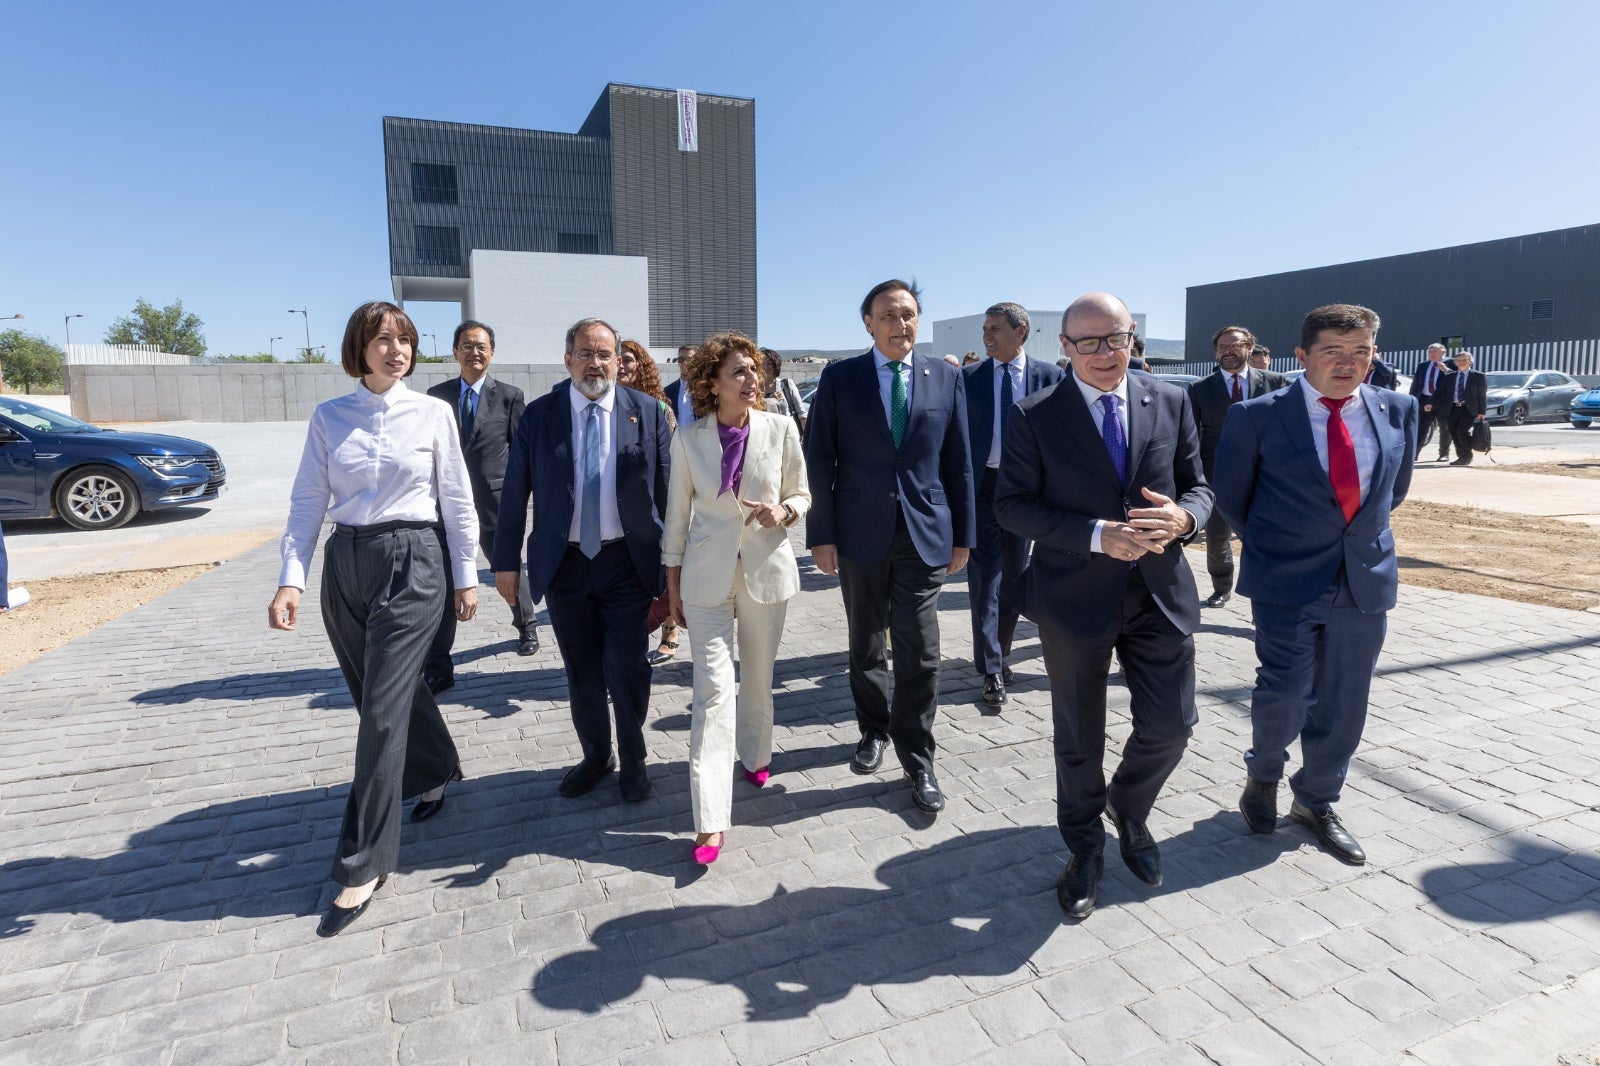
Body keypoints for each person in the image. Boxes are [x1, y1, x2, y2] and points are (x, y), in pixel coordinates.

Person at [994, 292, 1211, 920]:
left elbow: (1199, 486)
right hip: (1074, 600)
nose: (1103, 353)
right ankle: (1084, 846)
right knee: (1079, 739)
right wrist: (1095, 534)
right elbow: (1012, 506)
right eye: (1087, 342)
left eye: (1114, 338)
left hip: (1159, 594)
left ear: (1132, 337)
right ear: (1063, 348)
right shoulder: (1034, 414)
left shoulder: (1169, 399)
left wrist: (1185, 520)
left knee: (1173, 725)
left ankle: (1129, 808)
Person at [268, 301, 479, 938]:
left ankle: (363, 863)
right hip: (347, 565)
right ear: (359, 348)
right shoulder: (330, 417)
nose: (397, 350)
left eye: (406, 340)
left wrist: (467, 574)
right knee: (382, 696)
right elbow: (308, 498)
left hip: (415, 560)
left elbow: (457, 496)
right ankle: (438, 766)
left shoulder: (434, 413)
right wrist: (291, 578)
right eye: (383, 339)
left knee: (381, 715)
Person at [1214, 303, 1416, 866]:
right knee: (1284, 691)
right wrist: (1283, 541)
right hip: (1287, 578)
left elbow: (1391, 492)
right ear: (1303, 356)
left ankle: (1317, 800)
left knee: (1346, 701)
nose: (1348, 364)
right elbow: (1232, 497)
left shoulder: (1396, 409)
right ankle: (1264, 776)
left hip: (1363, 580)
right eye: (1333, 351)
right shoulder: (1257, 415)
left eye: (1362, 352)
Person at [804, 279, 975, 814]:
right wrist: (822, 535)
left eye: (909, 314)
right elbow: (819, 461)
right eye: (889, 315)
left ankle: (918, 754)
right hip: (858, 533)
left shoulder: (945, 377)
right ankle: (873, 730)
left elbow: (959, 461)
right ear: (868, 323)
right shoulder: (841, 378)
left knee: (921, 649)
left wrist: (964, 535)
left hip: (925, 532)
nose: (900, 324)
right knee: (866, 642)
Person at [493, 318, 671, 802]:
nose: (596, 363)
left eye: (605, 354)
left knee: (629, 665)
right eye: (585, 353)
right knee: (582, 669)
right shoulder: (540, 415)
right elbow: (514, 496)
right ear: (567, 358)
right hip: (565, 566)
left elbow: (670, 496)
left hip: (627, 563)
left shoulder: (648, 412)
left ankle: (634, 758)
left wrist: (675, 568)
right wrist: (505, 563)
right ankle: (597, 755)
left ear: (618, 360)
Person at [663, 333, 811, 864]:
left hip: (766, 571)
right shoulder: (687, 439)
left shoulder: (781, 427)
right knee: (713, 692)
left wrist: (784, 513)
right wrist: (673, 586)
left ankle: (755, 751)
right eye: (740, 372)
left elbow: (802, 492)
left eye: (755, 371)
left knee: (759, 677)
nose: (753, 379)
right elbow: (676, 520)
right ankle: (709, 819)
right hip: (705, 578)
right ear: (712, 383)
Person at [424, 320, 535, 695]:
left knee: (506, 568)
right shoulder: (434, 396)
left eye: (482, 346)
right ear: (455, 351)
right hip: (444, 504)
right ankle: (439, 661)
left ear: (492, 352)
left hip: (494, 501)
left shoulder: (509, 395)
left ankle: (526, 627)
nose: (475, 352)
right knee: (442, 582)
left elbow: (521, 452)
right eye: (467, 346)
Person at [962, 302, 1064, 706]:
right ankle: (990, 667)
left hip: (1027, 492)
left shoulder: (1051, 377)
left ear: (1021, 332)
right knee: (984, 578)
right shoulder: (967, 378)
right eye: (984, 329)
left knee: (1015, 578)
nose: (986, 336)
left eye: (995, 329)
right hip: (983, 487)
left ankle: (1001, 653)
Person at [1186, 326, 1288, 608]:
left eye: (1235, 345)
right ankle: (1221, 587)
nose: (1228, 351)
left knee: (1264, 538)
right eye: (1222, 347)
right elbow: (1191, 436)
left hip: (1266, 478)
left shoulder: (1276, 382)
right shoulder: (1199, 389)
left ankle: (1264, 594)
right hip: (1217, 475)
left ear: (1250, 347)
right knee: (1217, 537)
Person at [617, 338, 684, 667]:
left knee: (659, 574)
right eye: (618, 359)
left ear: (642, 365)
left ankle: (669, 631)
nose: (622, 365)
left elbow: (672, 461)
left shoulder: (660, 407)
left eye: (629, 359)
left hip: (654, 506)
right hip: (615, 511)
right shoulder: (603, 404)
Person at [1409, 343, 1454, 460]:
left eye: (1435, 351)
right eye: (1430, 352)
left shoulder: (1452, 363)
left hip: (1443, 401)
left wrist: (1447, 370)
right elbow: (1416, 384)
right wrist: (1412, 399)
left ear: (1443, 352)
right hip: (1425, 399)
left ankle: (1444, 454)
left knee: (1445, 428)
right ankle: (1414, 454)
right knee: (1421, 428)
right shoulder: (1423, 365)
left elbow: (1456, 379)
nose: (1432, 354)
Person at [1446, 350, 1487, 466]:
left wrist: (1482, 411)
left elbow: (1482, 395)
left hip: (1468, 409)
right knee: (1454, 432)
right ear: (1455, 362)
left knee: (1461, 431)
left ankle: (1467, 456)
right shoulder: (1449, 376)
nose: (1461, 362)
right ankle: (1461, 456)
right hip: (1452, 408)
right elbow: (1441, 392)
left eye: (1464, 360)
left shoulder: (1478, 376)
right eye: (1459, 360)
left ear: (1470, 362)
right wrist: (1431, 403)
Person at [758, 347, 807, 437]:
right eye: (762, 363)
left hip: (787, 436)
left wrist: (807, 442)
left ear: (776, 366)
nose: (765, 367)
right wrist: (769, 401)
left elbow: (802, 414)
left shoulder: (787, 385)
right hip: (764, 437)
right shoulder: (754, 389)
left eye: (769, 364)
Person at [664, 344, 699, 427]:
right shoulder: (668, 390)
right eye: (681, 359)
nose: (685, 363)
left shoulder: (704, 388)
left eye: (690, 359)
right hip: (677, 438)